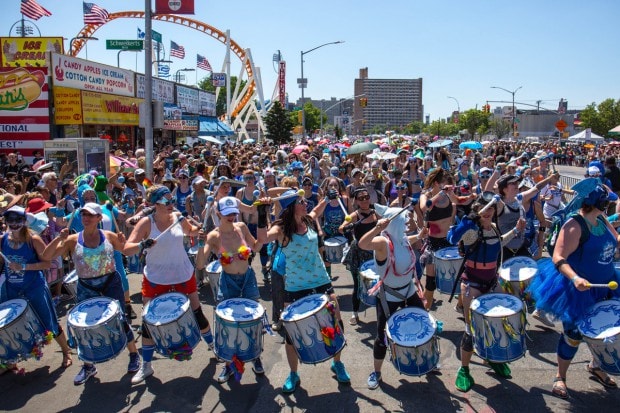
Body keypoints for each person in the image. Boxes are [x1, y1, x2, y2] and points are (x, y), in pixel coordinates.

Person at [528, 183, 620, 399]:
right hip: (580, 289)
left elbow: (616, 241)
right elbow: (558, 257)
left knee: (607, 329)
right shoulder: (574, 224)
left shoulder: (603, 220)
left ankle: (596, 365)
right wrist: (576, 278)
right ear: (598, 202)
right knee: (573, 335)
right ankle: (560, 376)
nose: (609, 205)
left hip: (607, 283)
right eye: (607, 201)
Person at [41, 203, 141, 385]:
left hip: (111, 283)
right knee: (84, 327)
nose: (85, 217)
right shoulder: (71, 239)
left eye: (90, 214)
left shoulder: (109, 236)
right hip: (87, 286)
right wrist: (58, 238)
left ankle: (134, 355)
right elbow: (47, 257)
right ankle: (88, 366)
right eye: (83, 214)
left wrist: (133, 242)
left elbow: (127, 250)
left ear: (99, 218)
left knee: (121, 320)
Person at [123, 185, 213, 384]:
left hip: (182, 274)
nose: (171, 204)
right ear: (155, 204)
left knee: (198, 313)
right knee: (148, 323)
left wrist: (199, 232)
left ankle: (214, 348)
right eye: (166, 202)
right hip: (156, 278)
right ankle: (146, 366)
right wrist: (141, 245)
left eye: (172, 200)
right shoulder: (147, 223)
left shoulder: (178, 218)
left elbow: (192, 231)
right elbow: (127, 249)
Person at [263, 190, 351, 393]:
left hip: (321, 281)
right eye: (301, 201)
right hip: (294, 287)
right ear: (292, 206)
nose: (306, 204)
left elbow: (318, 209)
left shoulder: (309, 221)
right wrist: (262, 213)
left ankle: (337, 363)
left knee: (336, 322)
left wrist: (328, 197)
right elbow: (261, 240)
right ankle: (293, 374)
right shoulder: (282, 229)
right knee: (292, 335)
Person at [446, 194, 525, 392]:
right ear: (477, 210)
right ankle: (464, 369)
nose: (488, 211)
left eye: (491, 207)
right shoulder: (472, 229)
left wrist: (516, 231)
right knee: (470, 329)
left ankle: (492, 358)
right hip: (472, 285)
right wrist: (469, 219)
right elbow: (453, 237)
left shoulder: (494, 228)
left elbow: (499, 244)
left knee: (498, 322)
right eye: (484, 208)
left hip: (491, 282)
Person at [195, 196, 267, 382]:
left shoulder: (241, 228)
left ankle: (255, 356)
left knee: (252, 320)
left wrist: (262, 219)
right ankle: (228, 364)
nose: (232, 217)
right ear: (218, 213)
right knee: (227, 325)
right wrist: (201, 243)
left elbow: (257, 246)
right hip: (228, 282)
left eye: (234, 213)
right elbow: (200, 265)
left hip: (248, 279)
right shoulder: (214, 236)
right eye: (227, 214)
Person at [357, 202, 428, 389]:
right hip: (389, 297)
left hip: (409, 291)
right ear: (393, 224)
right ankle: (377, 372)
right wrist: (377, 228)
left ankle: (426, 360)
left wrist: (419, 236)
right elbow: (362, 244)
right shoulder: (382, 242)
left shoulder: (401, 238)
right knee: (382, 337)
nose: (407, 223)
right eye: (404, 221)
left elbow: (406, 241)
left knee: (423, 322)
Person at [0, 206, 73, 372]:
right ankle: (11, 360)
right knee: (10, 325)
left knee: (48, 320)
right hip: (12, 288)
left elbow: (47, 263)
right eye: (9, 220)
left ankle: (66, 352)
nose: (13, 223)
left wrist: (23, 266)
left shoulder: (33, 239)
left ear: (24, 221)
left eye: (17, 219)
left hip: (34, 287)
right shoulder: (3, 240)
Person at [419, 168, 457, 309]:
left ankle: (460, 306)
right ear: (437, 183)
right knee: (430, 284)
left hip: (448, 242)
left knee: (460, 277)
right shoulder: (426, 195)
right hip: (433, 244)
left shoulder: (449, 195)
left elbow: (459, 201)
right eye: (445, 185)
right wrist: (440, 194)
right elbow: (425, 207)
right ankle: (424, 312)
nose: (448, 187)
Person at [340, 188, 378, 325]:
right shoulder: (354, 215)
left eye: (366, 197)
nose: (365, 200)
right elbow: (342, 227)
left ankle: (382, 312)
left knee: (379, 283)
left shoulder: (376, 213)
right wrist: (347, 228)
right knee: (358, 284)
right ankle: (355, 313)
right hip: (359, 253)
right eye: (361, 198)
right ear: (355, 201)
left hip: (374, 251)